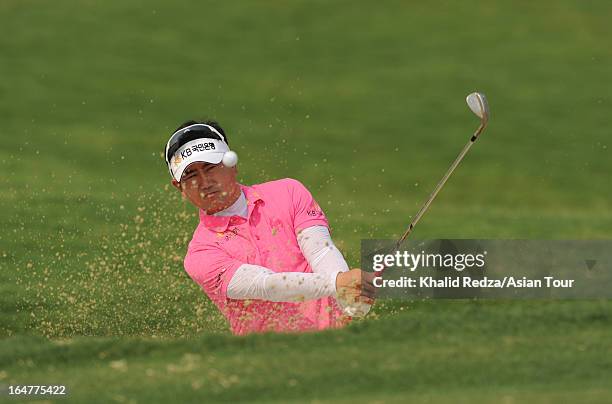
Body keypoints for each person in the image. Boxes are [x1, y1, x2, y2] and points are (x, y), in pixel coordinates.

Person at [164, 120, 375, 335]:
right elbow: (265, 284)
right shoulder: (200, 254)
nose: (204, 181)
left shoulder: (288, 192)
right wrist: (339, 282)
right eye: (190, 175)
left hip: (336, 340)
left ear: (231, 164)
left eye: (210, 167)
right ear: (178, 187)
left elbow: (321, 251)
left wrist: (348, 299)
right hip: (268, 357)